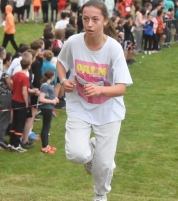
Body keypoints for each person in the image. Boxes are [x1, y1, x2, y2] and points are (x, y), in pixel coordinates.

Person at [56, 0, 133, 200]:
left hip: (108, 110)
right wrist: (64, 80)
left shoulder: (114, 48)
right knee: (76, 155)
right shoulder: (73, 42)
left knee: (105, 165)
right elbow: (61, 63)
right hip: (79, 105)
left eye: (95, 20)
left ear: (105, 21)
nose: (89, 24)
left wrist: (99, 89)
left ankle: (100, 196)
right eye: (85, 19)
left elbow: (121, 88)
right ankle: (92, 149)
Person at [39, 70, 59, 154]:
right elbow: (41, 99)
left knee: (48, 126)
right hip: (46, 107)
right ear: (52, 76)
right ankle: (44, 146)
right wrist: (52, 101)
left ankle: (47, 145)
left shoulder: (48, 85)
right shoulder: (45, 86)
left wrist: (55, 99)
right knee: (46, 126)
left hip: (49, 107)